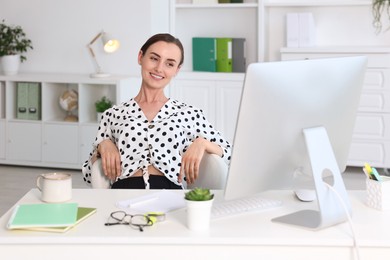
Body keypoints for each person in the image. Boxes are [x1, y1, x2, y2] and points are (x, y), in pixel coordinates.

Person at [82, 33, 232, 189]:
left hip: (170, 193)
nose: (159, 68)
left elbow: (230, 153)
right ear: (141, 57)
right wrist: (102, 146)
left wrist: (202, 143)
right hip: (124, 192)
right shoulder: (113, 114)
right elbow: (88, 174)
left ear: (176, 70)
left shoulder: (189, 114)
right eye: (154, 58)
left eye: (169, 64)